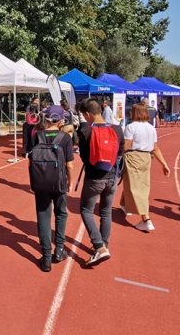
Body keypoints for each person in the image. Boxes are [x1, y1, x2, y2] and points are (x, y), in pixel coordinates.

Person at [27, 105, 76, 272]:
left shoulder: (37, 135)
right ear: (61, 120)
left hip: (40, 183)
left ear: (46, 118)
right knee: (61, 214)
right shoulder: (65, 138)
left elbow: (30, 161)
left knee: (43, 216)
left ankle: (46, 257)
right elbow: (69, 165)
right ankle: (59, 250)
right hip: (59, 182)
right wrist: (70, 182)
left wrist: (33, 182)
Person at [77, 98, 124, 265]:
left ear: (88, 114)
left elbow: (83, 156)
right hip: (113, 177)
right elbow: (121, 152)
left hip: (94, 178)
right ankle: (104, 243)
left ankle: (99, 247)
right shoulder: (117, 129)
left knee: (86, 210)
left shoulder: (85, 130)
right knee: (106, 211)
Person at [120, 104, 170, 232]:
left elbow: (126, 146)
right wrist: (164, 163)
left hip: (133, 157)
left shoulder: (130, 127)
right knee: (138, 184)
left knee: (136, 187)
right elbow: (155, 148)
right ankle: (125, 205)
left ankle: (146, 219)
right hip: (147, 158)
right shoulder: (151, 128)